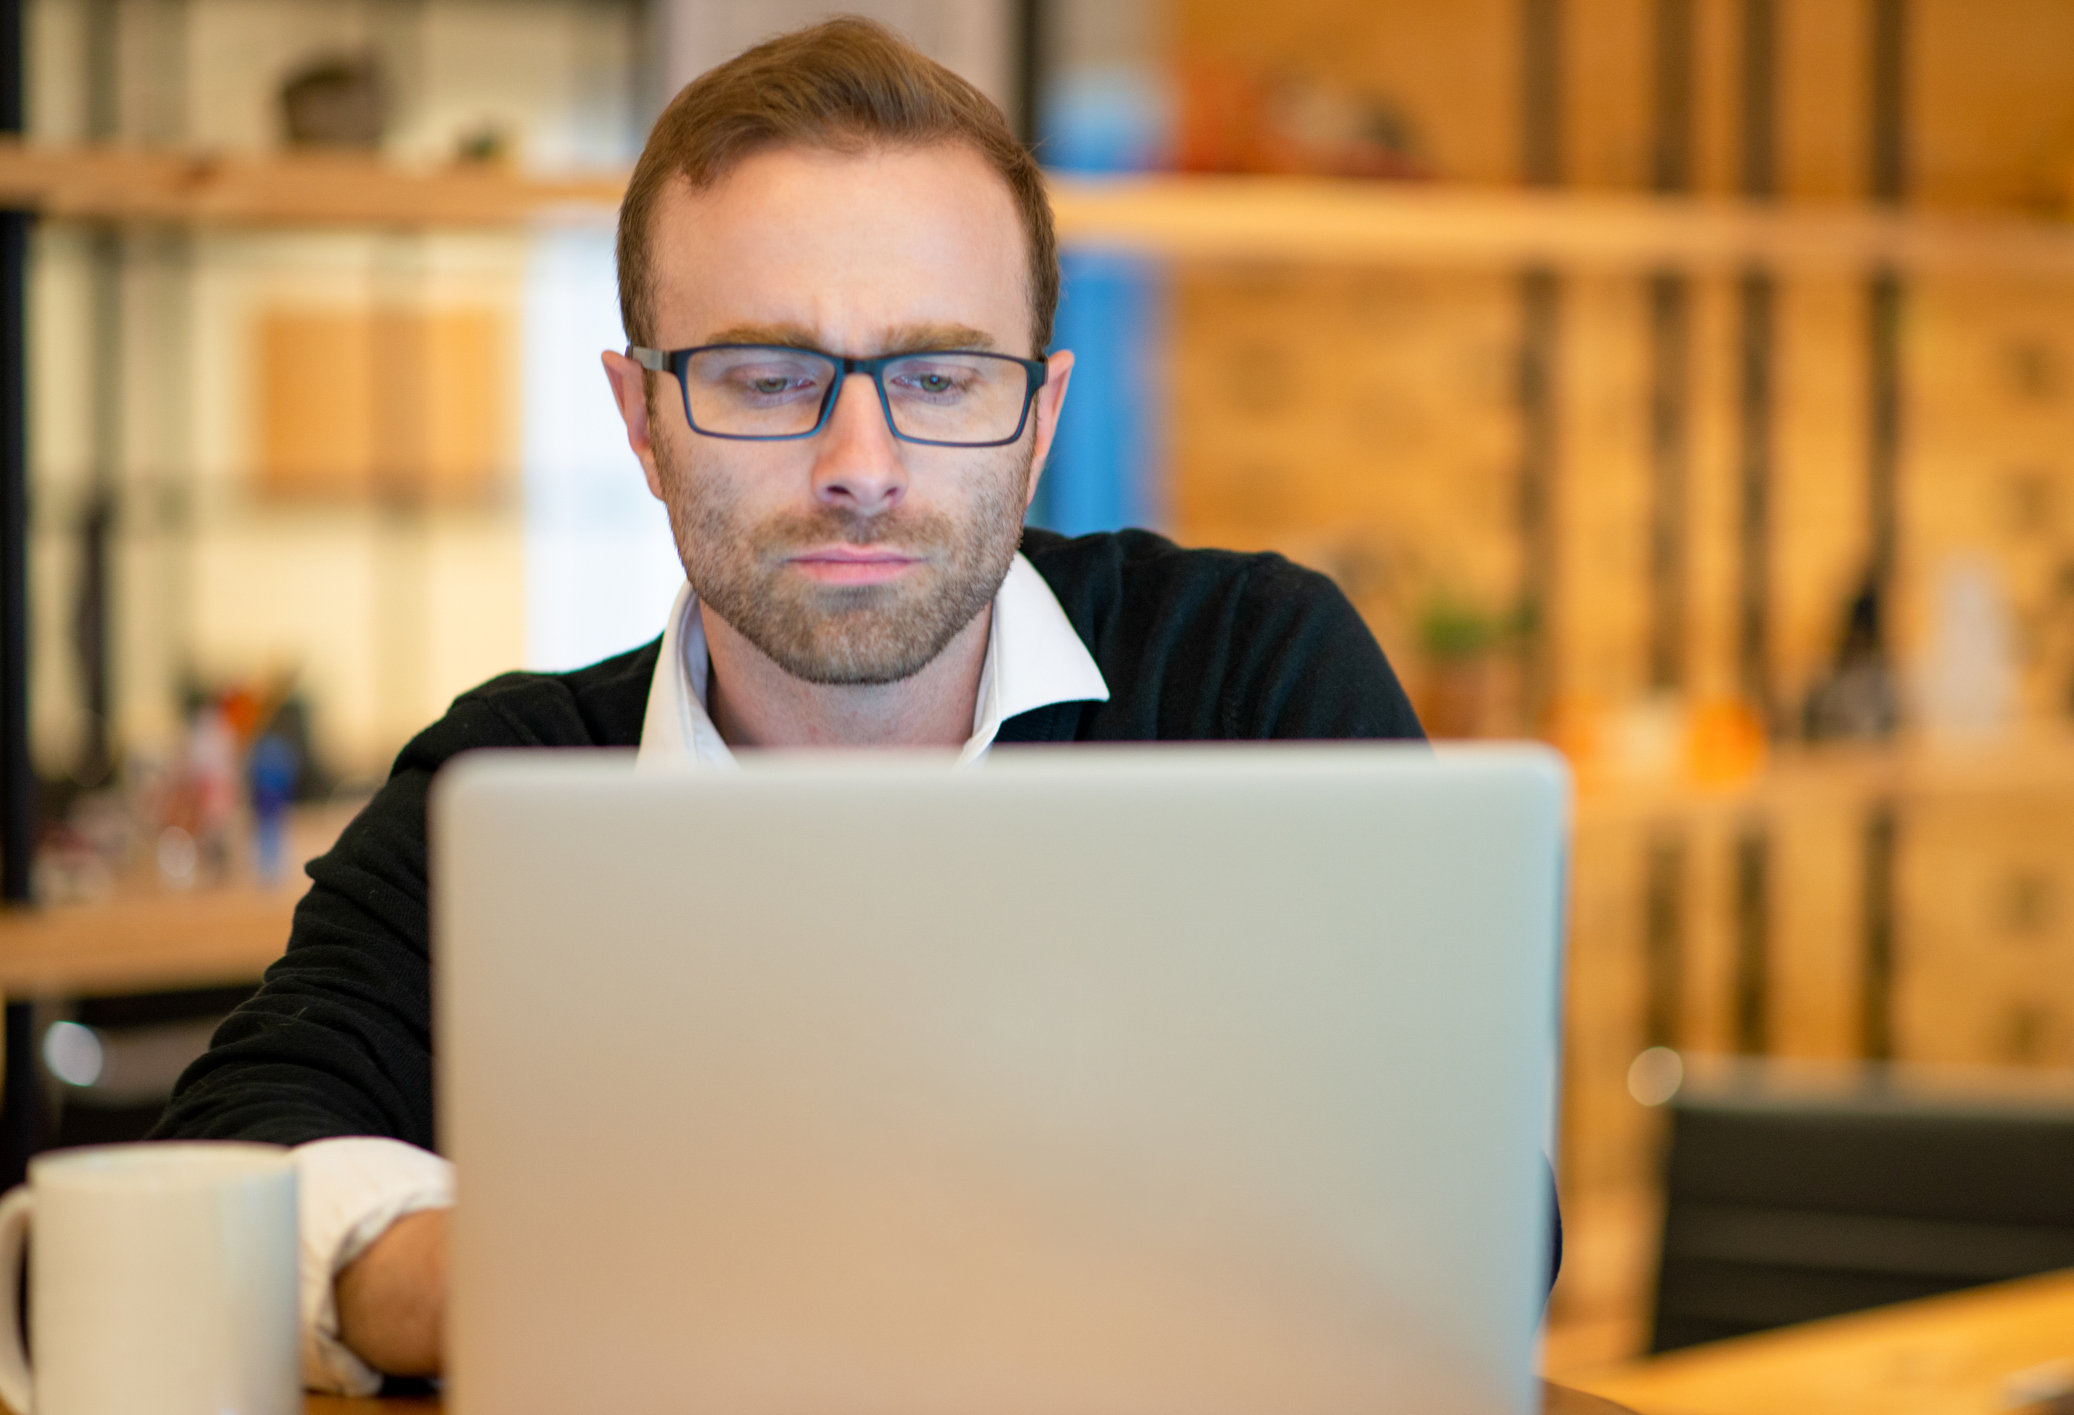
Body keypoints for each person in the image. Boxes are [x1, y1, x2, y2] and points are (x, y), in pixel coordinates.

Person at [154, 18, 1458, 1393]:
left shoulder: (1246, 678)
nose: (860, 464)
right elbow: (230, 1172)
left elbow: (1464, 1204)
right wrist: (521, 1283)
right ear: (641, 420)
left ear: (1042, 418)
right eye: (769, 379)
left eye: (942, 378)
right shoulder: (507, 784)